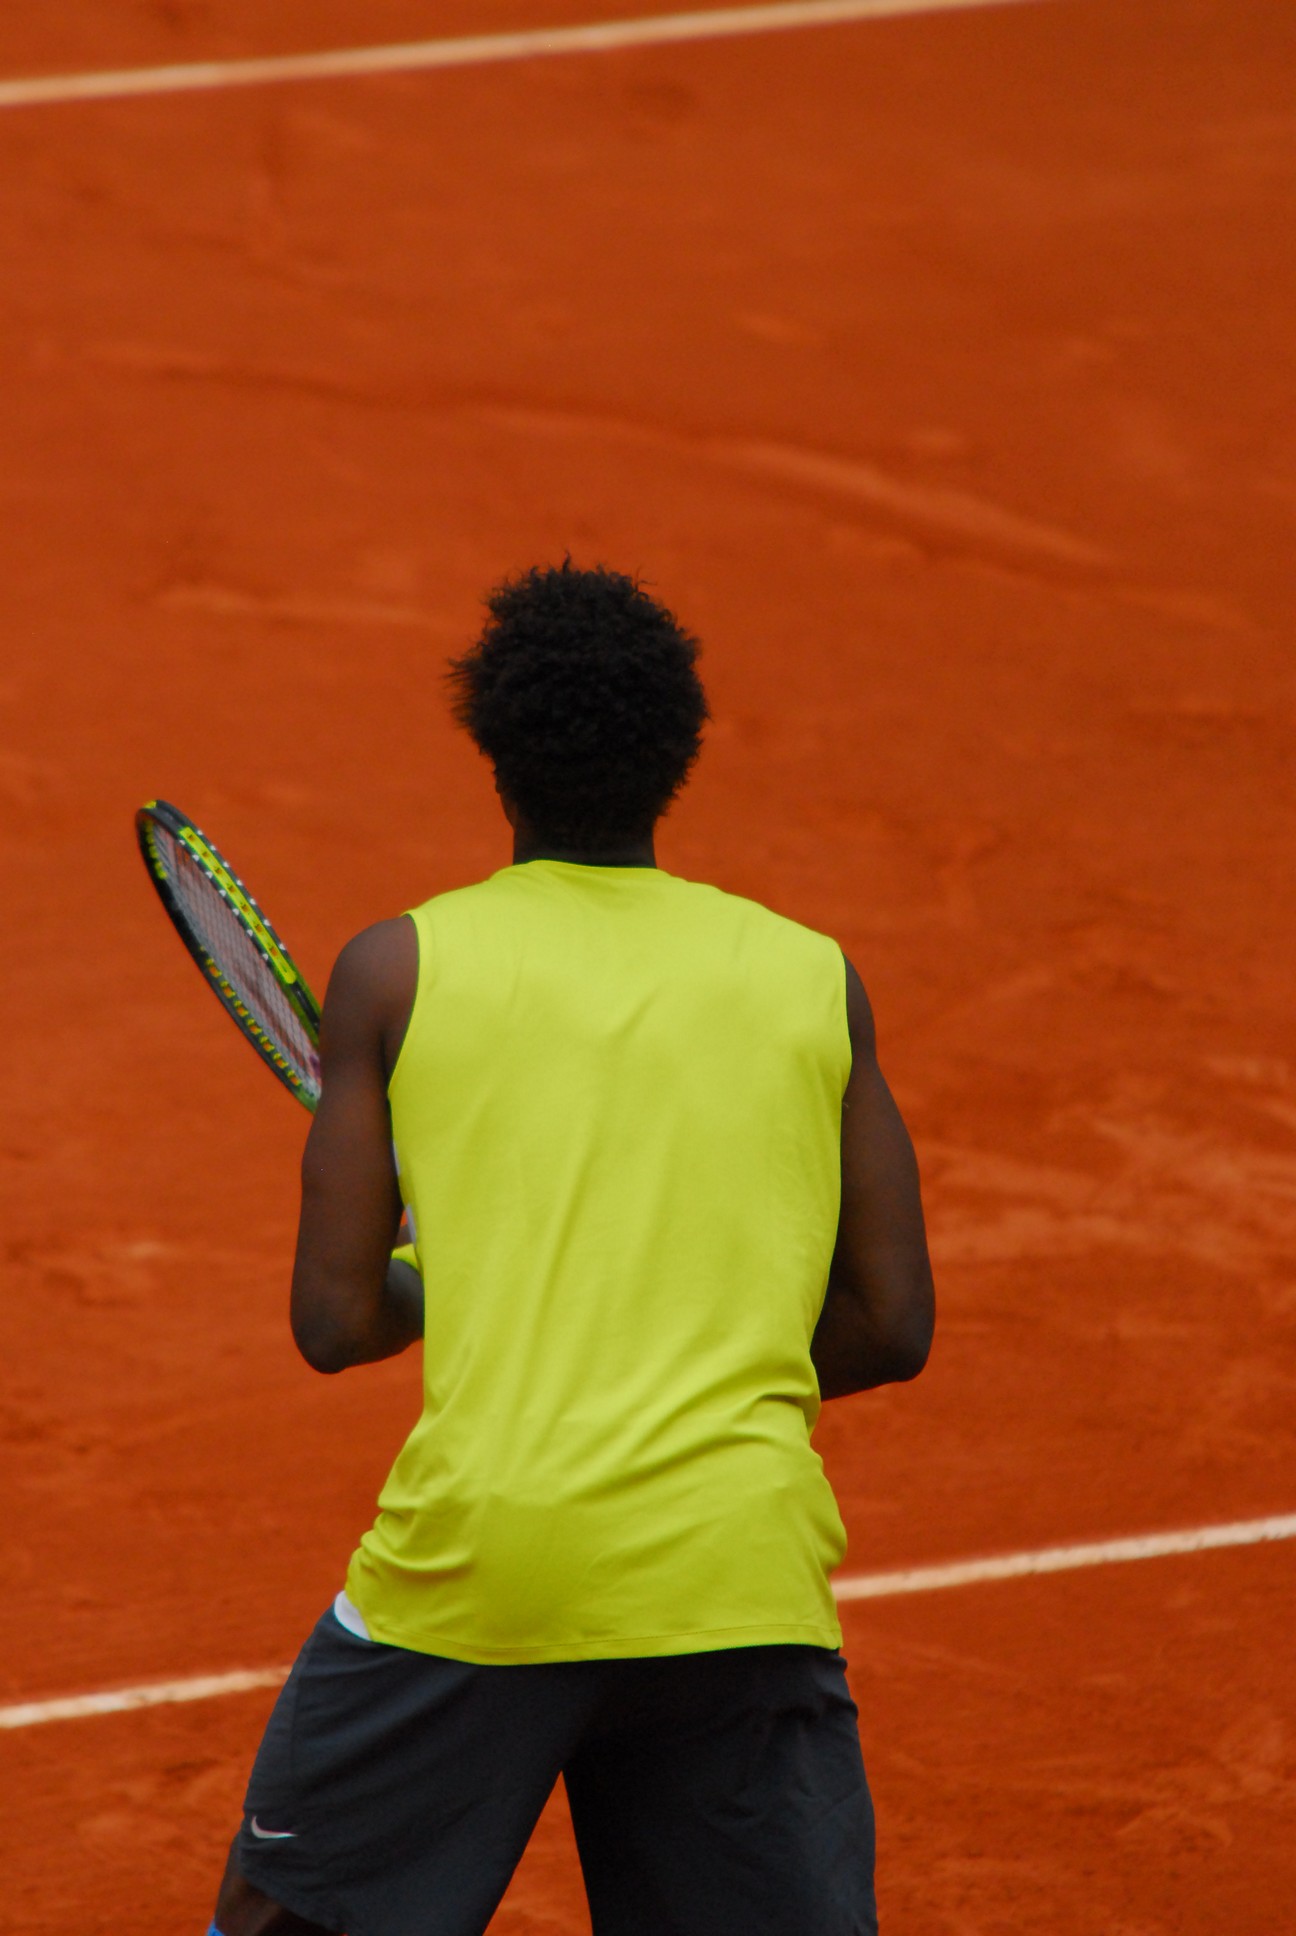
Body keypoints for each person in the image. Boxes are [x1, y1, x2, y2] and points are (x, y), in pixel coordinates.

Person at [210, 561, 934, 1936]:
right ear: (681, 754)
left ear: (494, 752)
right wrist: (687, 1364)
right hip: (739, 1571)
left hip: (492, 1569)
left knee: (282, 1916)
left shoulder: (398, 970)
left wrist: (445, 1280)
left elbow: (334, 1321)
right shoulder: (811, 974)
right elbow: (893, 1324)